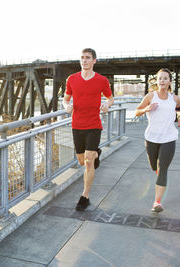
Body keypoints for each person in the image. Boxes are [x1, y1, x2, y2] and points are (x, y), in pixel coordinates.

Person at [63, 48, 114, 211]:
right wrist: (66, 106)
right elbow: (66, 98)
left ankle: (85, 196)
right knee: (81, 160)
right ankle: (97, 153)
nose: (84, 60)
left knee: (88, 161)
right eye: (82, 58)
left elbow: (110, 98)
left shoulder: (101, 80)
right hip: (77, 125)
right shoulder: (71, 79)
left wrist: (107, 105)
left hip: (94, 125)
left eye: (88, 58)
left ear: (94, 61)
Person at [135, 68, 180, 212]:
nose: (162, 81)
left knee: (163, 169)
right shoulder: (150, 96)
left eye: (165, 78)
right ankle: (160, 177)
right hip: (151, 137)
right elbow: (137, 111)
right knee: (154, 166)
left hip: (169, 138)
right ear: (157, 81)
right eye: (160, 78)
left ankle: (157, 202)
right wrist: (146, 109)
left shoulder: (174, 98)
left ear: (170, 81)